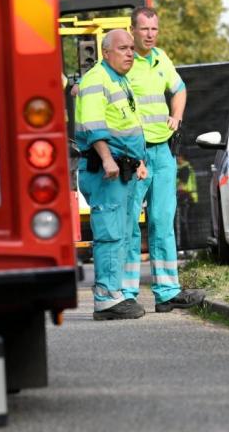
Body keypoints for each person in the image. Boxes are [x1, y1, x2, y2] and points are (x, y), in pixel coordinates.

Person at [126, 6, 204, 313]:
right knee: (130, 223)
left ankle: (167, 292)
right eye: (144, 29)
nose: (149, 34)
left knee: (162, 223)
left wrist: (177, 116)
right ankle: (126, 295)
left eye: (154, 29)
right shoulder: (125, 60)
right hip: (133, 153)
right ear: (132, 29)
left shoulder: (161, 57)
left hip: (162, 152)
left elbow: (180, 89)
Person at [74, 30, 149, 320]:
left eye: (131, 48)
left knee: (122, 234)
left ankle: (115, 293)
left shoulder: (119, 79)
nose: (130, 53)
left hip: (124, 169)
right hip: (107, 169)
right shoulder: (97, 79)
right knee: (109, 233)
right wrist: (107, 159)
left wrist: (140, 162)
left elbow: (127, 125)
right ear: (106, 52)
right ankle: (106, 298)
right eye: (123, 48)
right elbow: (94, 125)